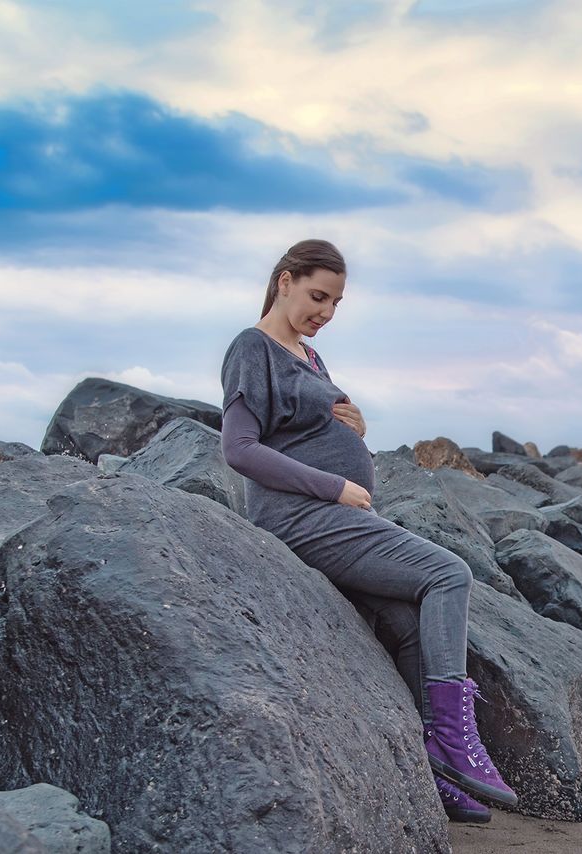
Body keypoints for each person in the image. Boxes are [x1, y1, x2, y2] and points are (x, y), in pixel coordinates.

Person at [218, 238, 517, 824]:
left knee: (407, 625)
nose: (325, 312)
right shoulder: (251, 348)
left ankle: (438, 774)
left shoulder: (307, 355)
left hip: (338, 515)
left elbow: (303, 427)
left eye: (335, 303)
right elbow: (240, 448)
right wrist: (333, 487)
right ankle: (457, 742)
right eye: (316, 296)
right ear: (284, 281)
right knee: (447, 573)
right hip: (302, 517)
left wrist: (354, 426)